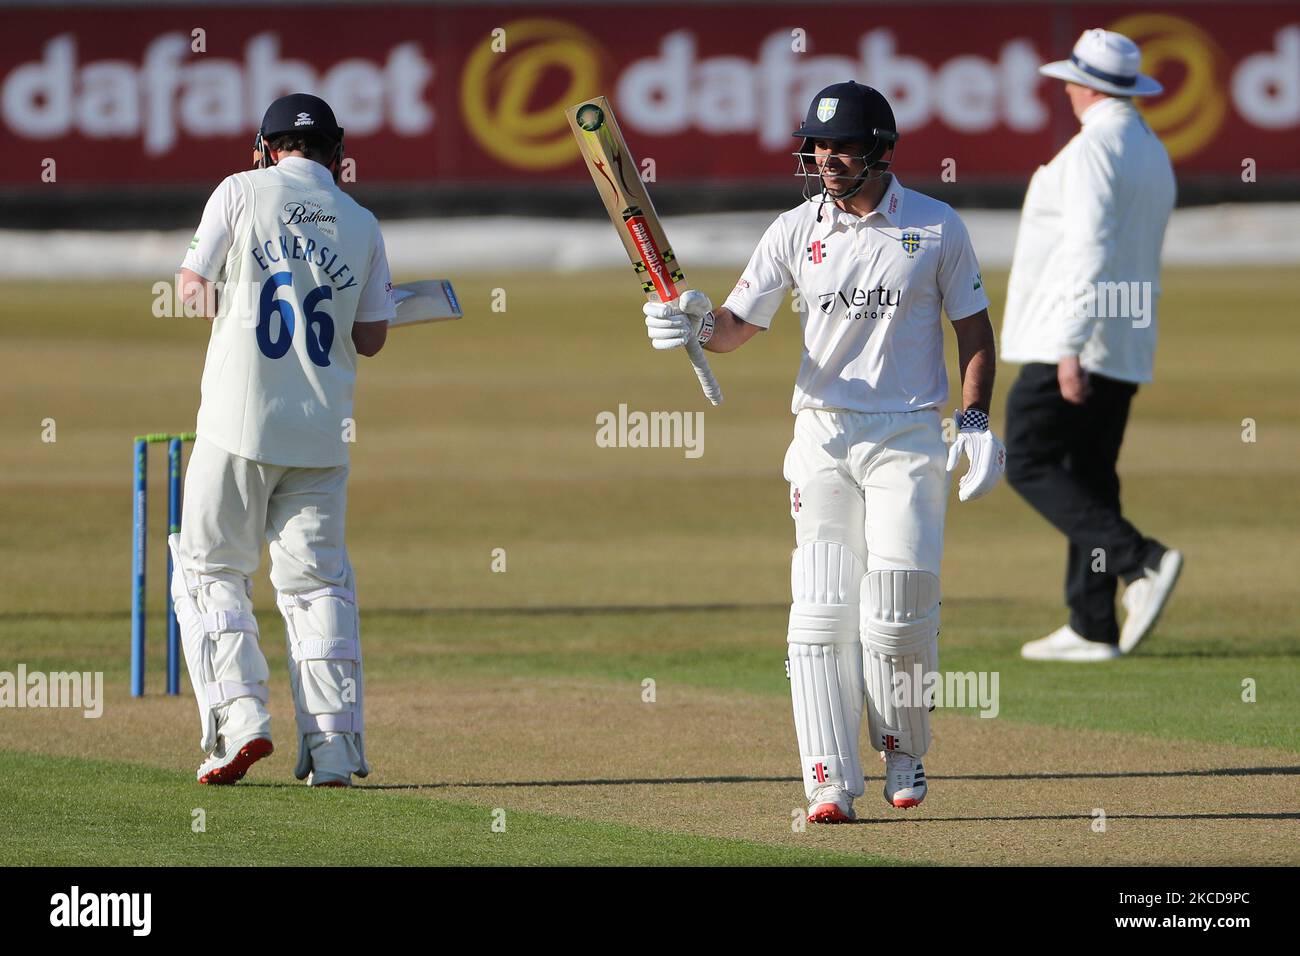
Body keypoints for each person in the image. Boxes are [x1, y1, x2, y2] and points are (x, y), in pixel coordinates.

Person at [644, 82, 1004, 823]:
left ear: (880, 149)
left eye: (841, 146)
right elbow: (738, 325)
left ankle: (903, 745)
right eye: (817, 145)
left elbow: (974, 329)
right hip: (822, 436)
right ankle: (827, 779)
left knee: (897, 609)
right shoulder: (793, 229)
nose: (827, 159)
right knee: (820, 613)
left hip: (907, 434)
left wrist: (973, 422)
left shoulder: (936, 228)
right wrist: (689, 323)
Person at [172, 93, 395, 786]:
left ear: (267, 146)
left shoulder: (239, 191)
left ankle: (239, 722)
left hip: (238, 421)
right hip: (323, 431)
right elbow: (372, 338)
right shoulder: (361, 222)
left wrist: (237, 306)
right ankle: (333, 749)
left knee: (210, 571)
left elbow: (190, 289)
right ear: (337, 154)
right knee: (318, 586)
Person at [1002, 30, 1182, 662]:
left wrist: (1069, 345)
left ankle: (1142, 560)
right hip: (1126, 338)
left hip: (1075, 337)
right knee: (1091, 478)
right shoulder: (1149, 149)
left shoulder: (1091, 151)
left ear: (1084, 88)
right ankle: (1092, 622)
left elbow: (1089, 249)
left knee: (1024, 458)